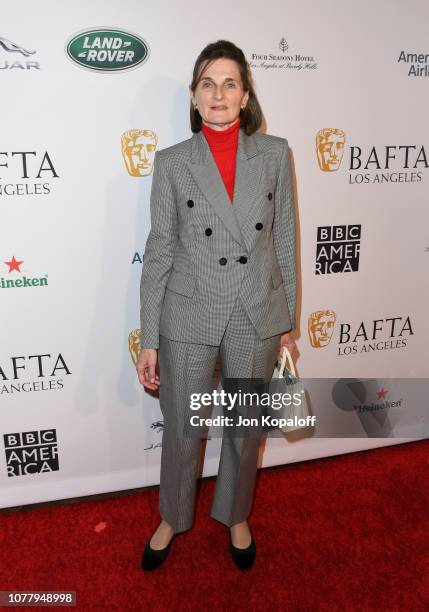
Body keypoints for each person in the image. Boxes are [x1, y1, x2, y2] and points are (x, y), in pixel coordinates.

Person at [136, 39, 297, 571]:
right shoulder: (173, 162)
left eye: (230, 83)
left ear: (246, 94)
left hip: (254, 310)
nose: (219, 93)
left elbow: (284, 242)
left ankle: (235, 513)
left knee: (245, 428)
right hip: (188, 312)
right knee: (182, 425)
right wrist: (150, 338)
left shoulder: (275, 154)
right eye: (208, 83)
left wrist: (287, 321)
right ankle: (171, 515)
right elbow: (158, 251)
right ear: (194, 95)